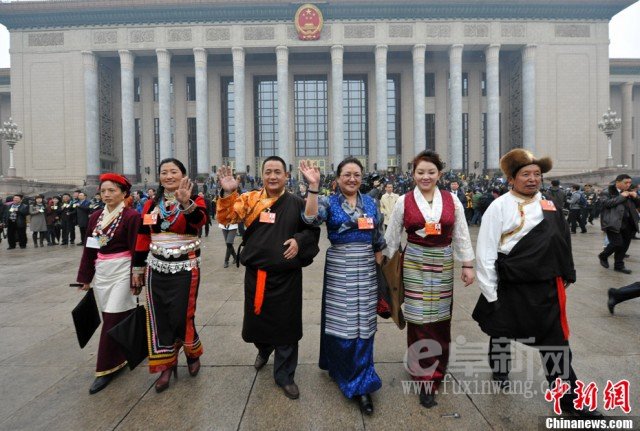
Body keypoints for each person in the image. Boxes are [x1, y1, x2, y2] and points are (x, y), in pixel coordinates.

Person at [472, 148, 602, 418]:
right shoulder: (499, 206)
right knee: (501, 328)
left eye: (537, 174)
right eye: (525, 174)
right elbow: (485, 252)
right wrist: (490, 291)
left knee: (555, 341)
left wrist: (566, 271)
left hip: (546, 284)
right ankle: (500, 368)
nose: (532, 179)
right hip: (511, 283)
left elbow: (561, 239)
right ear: (512, 179)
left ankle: (569, 400)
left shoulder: (548, 203)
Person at [216, 156, 320, 401]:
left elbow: (311, 228)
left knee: (287, 327)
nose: (273, 176)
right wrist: (228, 192)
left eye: (277, 172)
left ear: (286, 176)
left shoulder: (297, 202)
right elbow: (226, 218)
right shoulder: (250, 199)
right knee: (257, 325)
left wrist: (299, 240)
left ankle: (285, 376)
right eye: (268, 172)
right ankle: (264, 349)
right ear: (262, 175)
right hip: (257, 276)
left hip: (287, 278)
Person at [383, 151, 475, 409]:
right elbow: (392, 235)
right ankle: (424, 377)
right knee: (419, 319)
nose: (426, 176)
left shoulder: (452, 199)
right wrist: (384, 265)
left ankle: (438, 368)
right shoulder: (404, 200)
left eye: (431, 172)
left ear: (439, 174)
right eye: (420, 172)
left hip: (443, 262)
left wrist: (467, 264)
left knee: (441, 319)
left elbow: (461, 233)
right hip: (414, 262)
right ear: (413, 174)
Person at [300, 157, 385, 414]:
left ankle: (362, 382)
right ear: (337, 178)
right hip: (340, 268)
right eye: (347, 174)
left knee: (364, 323)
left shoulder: (370, 202)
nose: (352, 179)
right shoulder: (329, 201)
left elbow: (378, 239)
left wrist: (379, 273)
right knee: (343, 322)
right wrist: (313, 187)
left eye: (356, 174)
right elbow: (310, 219)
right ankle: (342, 369)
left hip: (367, 268)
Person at [133, 158, 208, 393]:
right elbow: (143, 236)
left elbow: (200, 222)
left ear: (183, 175)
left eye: (173, 171)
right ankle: (166, 364)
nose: (168, 176)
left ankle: (192, 353)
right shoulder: (150, 204)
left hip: (185, 267)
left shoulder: (195, 200)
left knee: (182, 315)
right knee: (159, 316)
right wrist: (137, 269)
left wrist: (186, 203)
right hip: (156, 268)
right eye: (164, 172)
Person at [76, 173, 141, 394]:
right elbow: (90, 249)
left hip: (123, 270)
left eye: (112, 190)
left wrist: (136, 276)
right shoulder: (95, 217)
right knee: (113, 317)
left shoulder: (132, 216)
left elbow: (137, 249)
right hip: (103, 272)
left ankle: (104, 368)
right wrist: (85, 277)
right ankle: (123, 353)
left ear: (124, 193)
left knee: (113, 315)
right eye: (103, 191)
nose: (107, 195)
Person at [598, 174, 640, 274]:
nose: (628, 185)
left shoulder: (630, 192)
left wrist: (636, 197)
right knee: (617, 243)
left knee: (624, 246)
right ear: (617, 182)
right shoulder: (607, 192)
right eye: (626, 182)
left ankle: (619, 265)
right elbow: (606, 204)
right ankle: (603, 255)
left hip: (629, 222)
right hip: (613, 222)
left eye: (630, 183)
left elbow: (638, 205)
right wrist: (621, 196)